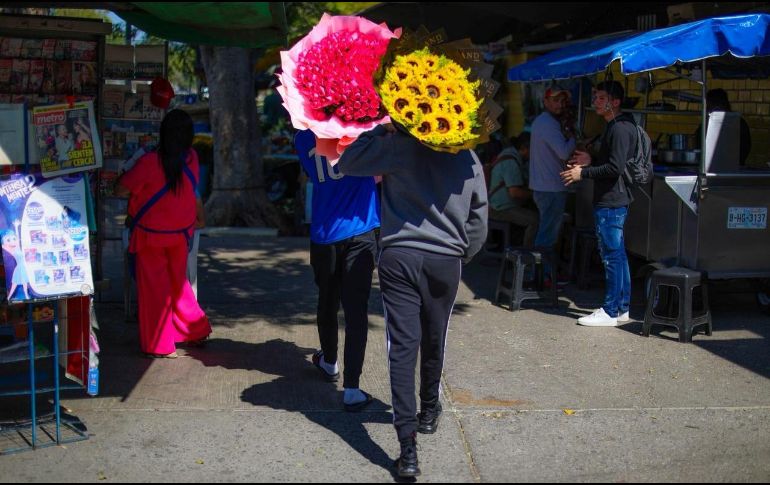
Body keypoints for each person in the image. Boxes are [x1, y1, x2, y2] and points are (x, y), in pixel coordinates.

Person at [338, 123, 488, 479]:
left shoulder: (397, 147)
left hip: (399, 255)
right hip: (446, 259)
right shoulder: (467, 156)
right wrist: (461, 255)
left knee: (402, 348)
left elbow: (347, 161)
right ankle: (430, 409)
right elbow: (479, 219)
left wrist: (379, 130)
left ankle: (407, 450)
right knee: (436, 336)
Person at [294, 129, 380, 412]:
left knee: (327, 300)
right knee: (356, 311)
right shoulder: (360, 132)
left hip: (324, 231)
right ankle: (352, 389)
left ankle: (330, 362)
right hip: (361, 229)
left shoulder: (302, 137)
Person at [115, 109, 211, 358]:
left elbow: (121, 190)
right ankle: (196, 329)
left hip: (150, 236)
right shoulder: (191, 160)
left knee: (154, 290)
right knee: (179, 285)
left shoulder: (148, 163)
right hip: (180, 235)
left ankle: (160, 345)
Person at [560, 80, 634, 327]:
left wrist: (584, 172)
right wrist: (591, 159)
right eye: (596, 97)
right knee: (617, 254)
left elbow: (615, 167)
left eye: (601, 98)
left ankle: (611, 310)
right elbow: (610, 161)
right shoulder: (613, 126)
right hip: (611, 199)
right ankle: (621, 308)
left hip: (612, 200)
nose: (596, 102)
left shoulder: (620, 128)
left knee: (612, 256)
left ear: (615, 102)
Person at [529, 88, 576, 281]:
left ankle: (541, 276)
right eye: (555, 101)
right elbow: (564, 152)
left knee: (546, 234)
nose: (559, 105)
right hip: (550, 188)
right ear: (546, 101)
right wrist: (575, 138)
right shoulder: (547, 123)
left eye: (562, 101)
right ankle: (541, 277)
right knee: (547, 237)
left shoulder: (542, 121)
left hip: (544, 186)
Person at [488, 132, 538, 247]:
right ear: (524, 149)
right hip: (499, 209)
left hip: (499, 205)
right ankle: (525, 258)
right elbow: (515, 193)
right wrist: (535, 194)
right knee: (534, 220)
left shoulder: (510, 155)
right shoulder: (510, 162)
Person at [695, 88, 752, 166]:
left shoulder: (708, 123)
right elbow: (746, 147)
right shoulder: (739, 122)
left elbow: (699, 145)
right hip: (736, 168)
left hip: (712, 167)